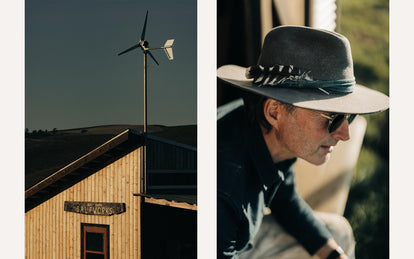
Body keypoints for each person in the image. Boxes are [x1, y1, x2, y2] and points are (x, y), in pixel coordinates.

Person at [216, 26, 389, 259]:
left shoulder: (271, 139)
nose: (345, 133)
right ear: (275, 112)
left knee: (337, 232)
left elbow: (285, 200)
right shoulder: (223, 191)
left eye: (349, 116)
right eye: (332, 117)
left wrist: (334, 256)